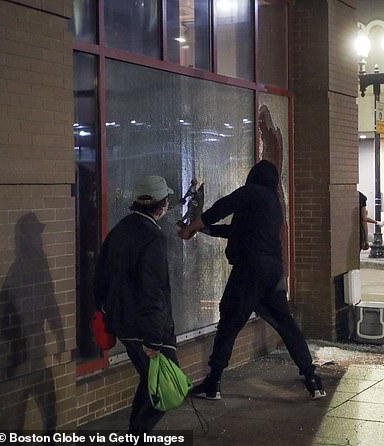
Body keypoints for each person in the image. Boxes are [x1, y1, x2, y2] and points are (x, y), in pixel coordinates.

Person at [178, 160, 326, 400]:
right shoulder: (273, 203)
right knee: (286, 324)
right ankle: (312, 378)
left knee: (229, 323)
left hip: (249, 271)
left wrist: (195, 224)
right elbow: (238, 230)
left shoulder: (252, 192)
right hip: (272, 272)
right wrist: (206, 230)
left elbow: (223, 207)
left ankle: (213, 382)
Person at [94, 175, 179, 435]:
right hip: (147, 329)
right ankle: (136, 436)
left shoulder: (119, 230)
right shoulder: (153, 237)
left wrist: (107, 312)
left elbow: (100, 277)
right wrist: (154, 339)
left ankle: (135, 433)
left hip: (123, 324)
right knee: (168, 386)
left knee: (149, 381)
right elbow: (152, 290)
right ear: (162, 204)